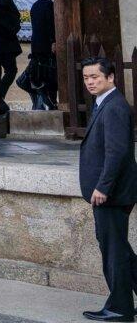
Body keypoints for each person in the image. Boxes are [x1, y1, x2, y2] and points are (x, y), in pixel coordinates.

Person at [78, 58, 137, 323]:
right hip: (111, 193)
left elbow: (118, 152)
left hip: (111, 194)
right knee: (119, 249)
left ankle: (120, 308)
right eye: (86, 78)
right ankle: (122, 302)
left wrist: (103, 187)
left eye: (95, 77)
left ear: (111, 77)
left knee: (114, 252)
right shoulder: (104, 104)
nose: (90, 82)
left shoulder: (113, 107)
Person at [28, 0, 58, 110]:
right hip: (48, 46)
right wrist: (53, 41)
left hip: (36, 45)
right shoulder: (51, 5)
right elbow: (51, 26)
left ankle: (39, 103)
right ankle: (51, 102)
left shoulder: (34, 5)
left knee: (40, 76)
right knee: (51, 75)